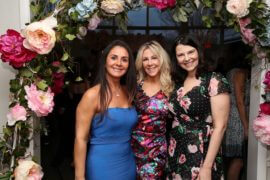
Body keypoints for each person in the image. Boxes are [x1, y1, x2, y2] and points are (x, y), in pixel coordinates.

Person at [166, 34, 230, 180]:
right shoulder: (176, 82)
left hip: (201, 151)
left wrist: (207, 167)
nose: (187, 58)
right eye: (180, 55)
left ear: (199, 52)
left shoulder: (214, 80)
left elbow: (221, 126)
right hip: (176, 150)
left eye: (190, 52)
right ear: (175, 59)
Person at [74, 40, 138, 180]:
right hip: (101, 165)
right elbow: (81, 139)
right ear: (104, 61)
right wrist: (79, 177)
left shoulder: (129, 92)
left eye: (124, 60)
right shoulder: (91, 95)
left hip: (128, 163)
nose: (119, 63)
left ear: (129, 65)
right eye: (113, 57)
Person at [131, 41, 174, 179]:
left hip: (156, 153)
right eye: (145, 59)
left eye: (154, 57)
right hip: (131, 150)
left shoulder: (171, 88)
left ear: (161, 59)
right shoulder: (134, 86)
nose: (150, 63)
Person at [223, 44, 250, 180]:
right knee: (238, 160)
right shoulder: (239, 73)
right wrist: (246, 126)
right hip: (238, 120)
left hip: (234, 117)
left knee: (237, 159)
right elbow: (240, 100)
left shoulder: (231, 71)